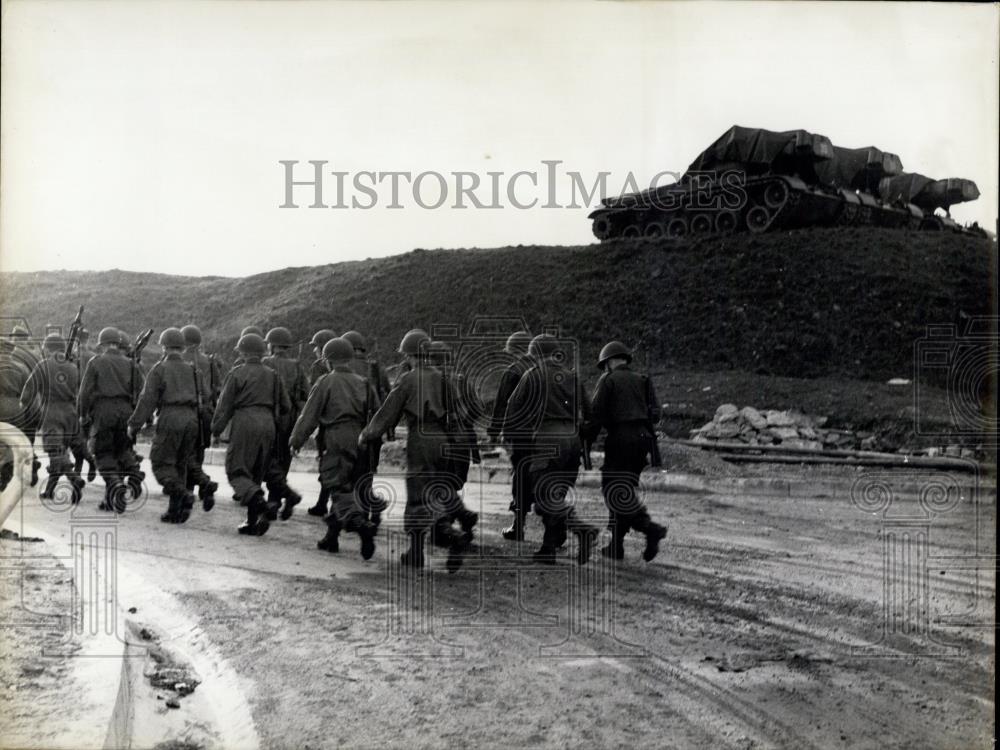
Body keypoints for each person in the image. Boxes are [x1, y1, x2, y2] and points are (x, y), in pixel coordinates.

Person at [358, 330, 468, 571]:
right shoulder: (443, 377)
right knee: (437, 491)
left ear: (409, 355)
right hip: (444, 440)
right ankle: (446, 534)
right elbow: (458, 413)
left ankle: (424, 548)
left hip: (421, 438)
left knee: (418, 493)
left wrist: (368, 434)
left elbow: (389, 412)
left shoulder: (408, 379)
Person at [504, 334, 599, 565]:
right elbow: (590, 414)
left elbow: (513, 408)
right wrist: (582, 437)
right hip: (572, 440)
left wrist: (510, 438)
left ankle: (582, 529)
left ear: (535, 354)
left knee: (544, 495)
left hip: (547, 439)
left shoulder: (532, 375)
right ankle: (548, 547)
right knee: (554, 494)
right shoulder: (573, 377)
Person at [291, 337, 380, 559]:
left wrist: (296, 441)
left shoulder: (325, 382)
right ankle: (332, 537)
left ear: (327, 360)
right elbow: (378, 413)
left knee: (337, 486)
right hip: (361, 438)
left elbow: (309, 416)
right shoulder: (364, 382)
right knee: (349, 487)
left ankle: (361, 525)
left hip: (336, 438)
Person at [586, 341, 668, 562]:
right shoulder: (643, 380)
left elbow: (596, 414)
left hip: (621, 439)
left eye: (605, 365)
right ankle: (616, 546)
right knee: (624, 490)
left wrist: (587, 439)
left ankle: (650, 528)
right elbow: (656, 414)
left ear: (610, 362)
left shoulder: (608, 380)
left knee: (613, 490)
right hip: (643, 441)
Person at [128, 328, 210, 523]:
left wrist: (135, 424)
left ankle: (183, 495)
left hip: (170, 417)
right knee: (181, 465)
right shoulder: (194, 370)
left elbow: (147, 400)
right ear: (182, 348)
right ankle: (176, 511)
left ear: (164, 347)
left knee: (161, 463)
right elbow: (206, 397)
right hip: (191, 420)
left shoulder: (159, 369)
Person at [211, 332, 290, 536]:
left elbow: (224, 406)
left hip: (245, 422)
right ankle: (252, 520)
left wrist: (216, 430)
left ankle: (260, 505)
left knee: (236, 469)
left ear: (243, 353)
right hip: (268, 424)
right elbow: (287, 405)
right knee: (257, 473)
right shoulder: (273, 375)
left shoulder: (237, 373)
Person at [77, 326, 145, 512]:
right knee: (122, 450)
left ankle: (115, 483)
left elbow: (84, 392)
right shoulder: (132, 364)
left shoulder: (96, 362)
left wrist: (83, 414)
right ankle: (132, 473)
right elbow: (142, 392)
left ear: (103, 344)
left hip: (103, 411)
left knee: (102, 452)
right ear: (118, 343)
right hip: (126, 411)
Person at [18, 333, 88, 502]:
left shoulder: (43, 365)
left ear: (49, 348)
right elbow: (80, 391)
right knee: (61, 451)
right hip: (71, 412)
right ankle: (50, 490)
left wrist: (25, 406)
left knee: (54, 450)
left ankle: (73, 478)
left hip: (51, 412)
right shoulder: (73, 367)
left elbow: (28, 392)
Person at [428, 340, 480, 542]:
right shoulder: (462, 379)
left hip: (443, 438)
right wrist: (464, 423)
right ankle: (459, 520)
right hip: (463, 439)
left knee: (436, 483)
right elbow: (477, 407)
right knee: (451, 483)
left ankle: (447, 527)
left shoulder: (433, 380)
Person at [487, 330, 534, 540]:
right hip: (544, 435)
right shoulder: (542, 370)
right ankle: (557, 531)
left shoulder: (513, 371)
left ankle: (518, 525)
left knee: (520, 477)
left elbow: (501, 403)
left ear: (515, 351)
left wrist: (494, 432)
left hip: (520, 434)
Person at [343, 330, 390, 526]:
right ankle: (372, 508)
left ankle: (357, 515)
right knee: (368, 472)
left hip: (350, 427)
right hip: (374, 427)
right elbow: (388, 394)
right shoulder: (376, 367)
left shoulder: (345, 367)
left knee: (347, 474)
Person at [261, 327, 308, 520]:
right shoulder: (297, 366)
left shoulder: (265, 362)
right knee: (282, 459)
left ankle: (276, 499)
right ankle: (276, 499)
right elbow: (306, 393)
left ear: (272, 345)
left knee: (267, 459)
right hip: (289, 418)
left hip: (270, 416)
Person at [180, 324, 221, 506]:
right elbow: (217, 388)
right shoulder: (210, 362)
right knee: (198, 451)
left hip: (185, 412)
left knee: (183, 453)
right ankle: (199, 486)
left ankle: (190, 489)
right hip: (205, 412)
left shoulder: (178, 360)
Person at [304, 328, 336, 517]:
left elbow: (313, 396)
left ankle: (324, 503)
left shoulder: (318, 367)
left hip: (327, 423)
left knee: (326, 463)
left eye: (316, 346)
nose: (314, 350)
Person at [9, 325, 42, 486]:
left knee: (13, 438)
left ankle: (22, 468)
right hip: (36, 402)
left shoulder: (12, 354)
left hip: (19, 401)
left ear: (14, 338)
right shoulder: (36, 354)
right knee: (29, 437)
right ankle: (32, 464)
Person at [0, 338, 31, 491]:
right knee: (13, 441)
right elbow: (28, 391)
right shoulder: (22, 367)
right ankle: (8, 467)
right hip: (17, 407)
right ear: (11, 351)